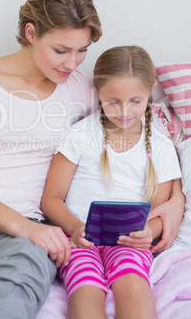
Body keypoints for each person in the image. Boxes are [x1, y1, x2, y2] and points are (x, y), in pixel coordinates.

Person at [0, 0, 183, 319]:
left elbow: (141, 125)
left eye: (82, 51)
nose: (72, 64)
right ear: (31, 33)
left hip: (36, 219)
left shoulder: (87, 88)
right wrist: (29, 229)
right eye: (61, 50)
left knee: (10, 294)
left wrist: (176, 200)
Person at [41, 46, 182, 319]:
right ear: (97, 92)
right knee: (84, 287)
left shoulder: (161, 146)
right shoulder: (80, 134)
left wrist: (147, 233)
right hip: (80, 240)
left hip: (129, 243)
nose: (125, 111)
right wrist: (73, 228)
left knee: (132, 283)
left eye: (135, 101)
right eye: (113, 101)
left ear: (150, 91)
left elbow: (158, 211)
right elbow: (51, 198)